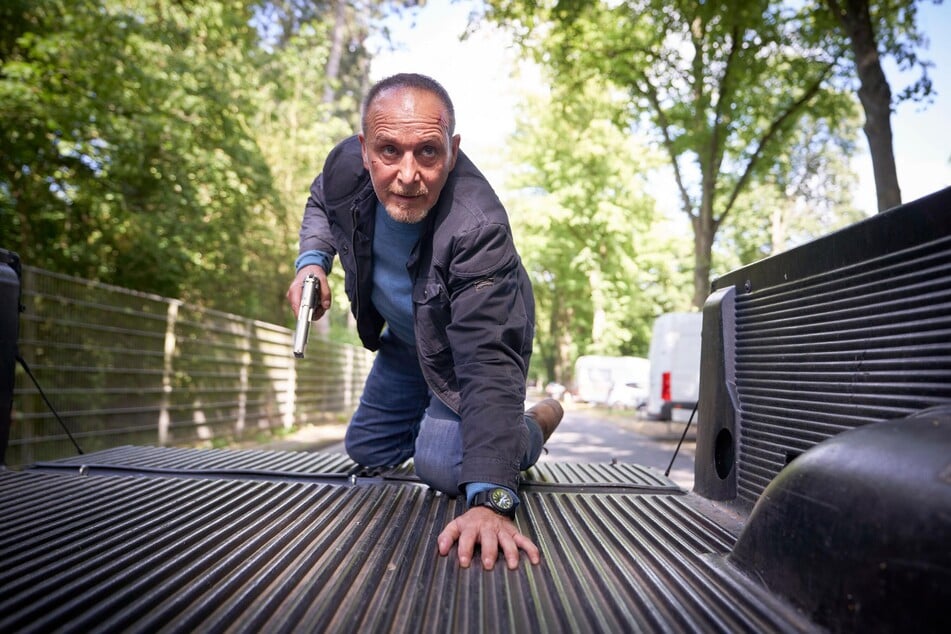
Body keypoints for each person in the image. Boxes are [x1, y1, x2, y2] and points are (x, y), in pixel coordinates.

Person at [286, 73, 563, 570]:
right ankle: (441, 419)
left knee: (444, 465)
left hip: (464, 349)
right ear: (364, 149)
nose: (408, 175)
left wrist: (492, 500)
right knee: (366, 449)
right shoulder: (344, 168)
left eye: (428, 153)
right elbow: (320, 203)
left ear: (452, 151)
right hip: (405, 339)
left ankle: (534, 423)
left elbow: (488, 361)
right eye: (389, 151)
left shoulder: (479, 227)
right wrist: (312, 261)